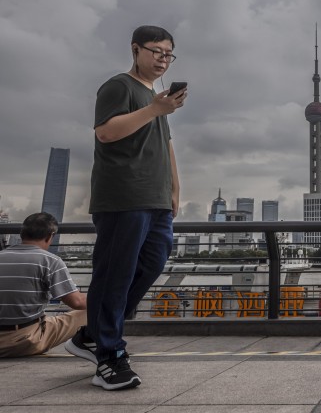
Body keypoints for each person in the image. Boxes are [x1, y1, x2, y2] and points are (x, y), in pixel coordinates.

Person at [64, 25, 186, 391]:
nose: (163, 59)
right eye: (156, 51)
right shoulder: (119, 86)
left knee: (152, 264)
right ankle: (109, 357)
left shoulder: (156, 98)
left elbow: (166, 146)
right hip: (123, 197)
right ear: (135, 50)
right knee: (114, 274)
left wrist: (175, 189)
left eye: (169, 54)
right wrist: (153, 108)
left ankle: (91, 334)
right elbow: (106, 132)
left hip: (156, 199)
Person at [0, 213, 88, 358]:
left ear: (22, 234)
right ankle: (88, 345)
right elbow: (77, 302)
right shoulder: (50, 261)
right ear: (50, 236)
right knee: (95, 310)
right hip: (25, 340)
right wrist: (106, 298)